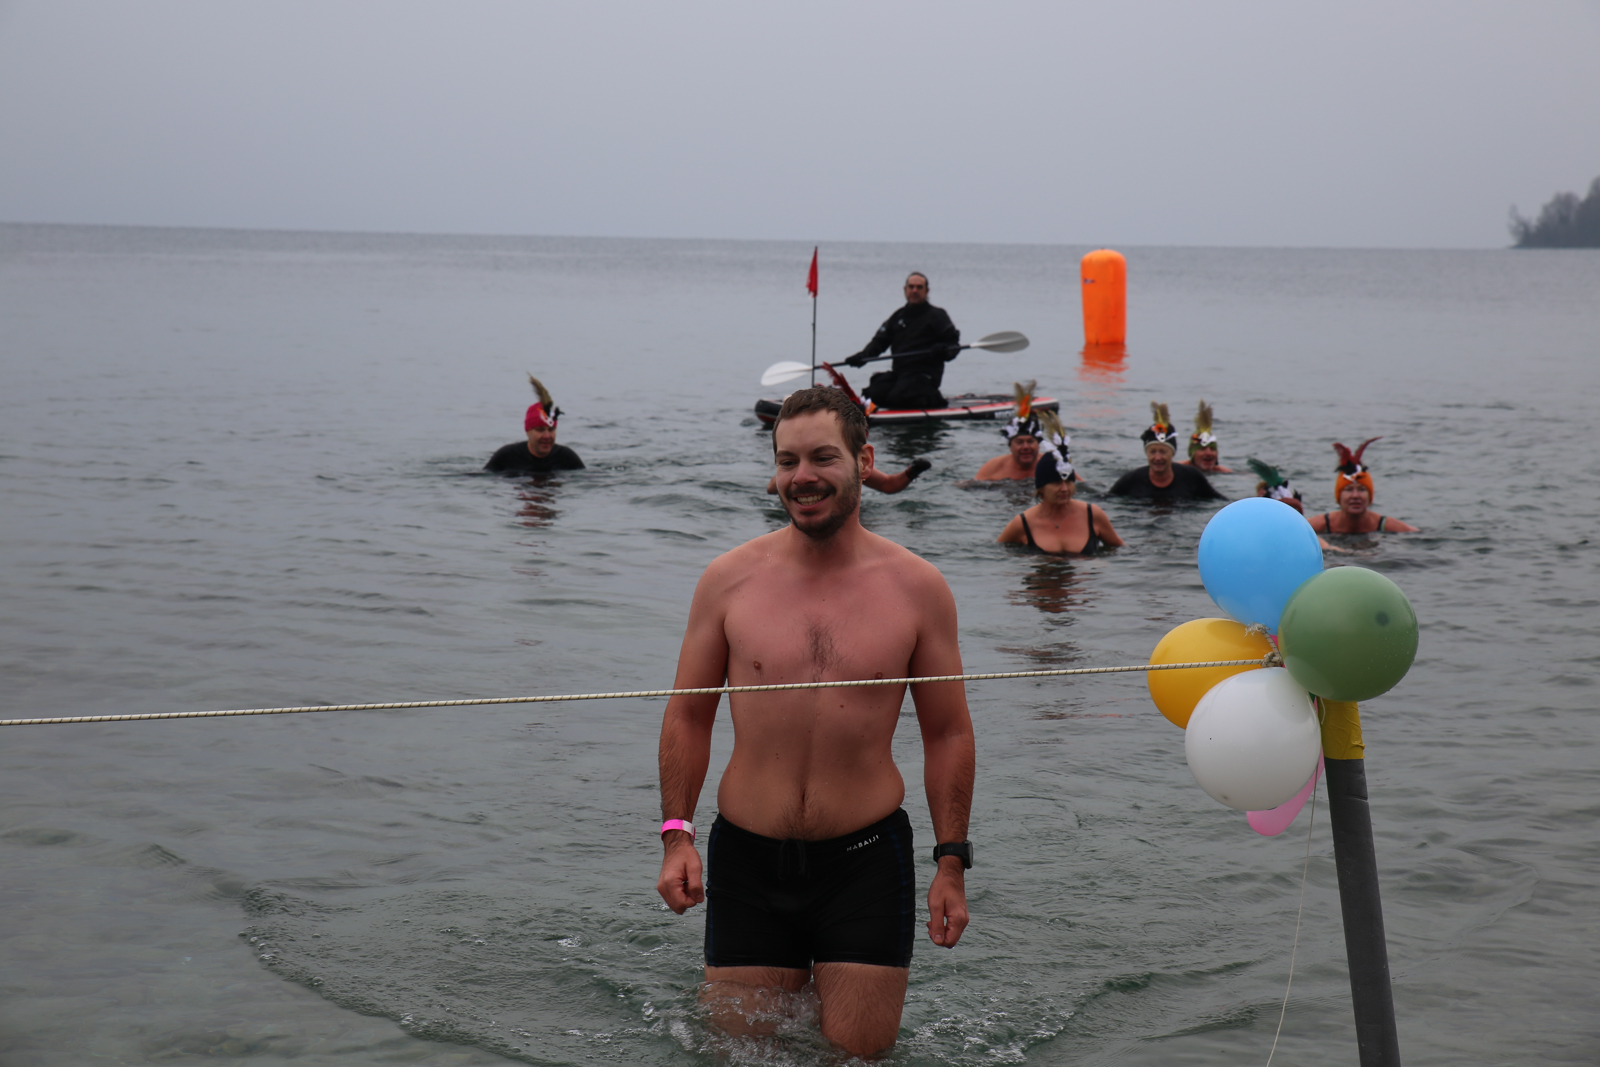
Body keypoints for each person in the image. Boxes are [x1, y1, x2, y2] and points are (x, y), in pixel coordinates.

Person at [656, 386, 975, 1059]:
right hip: (747, 859)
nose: (802, 477)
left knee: (857, 1058)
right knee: (739, 1056)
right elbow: (687, 715)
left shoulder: (919, 588)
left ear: (864, 460)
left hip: (866, 862)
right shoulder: (728, 580)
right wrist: (675, 836)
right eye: (787, 461)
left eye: (822, 457)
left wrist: (952, 863)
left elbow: (948, 733)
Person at [843, 272, 960, 410]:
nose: (914, 291)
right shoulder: (897, 316)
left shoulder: (938, 316)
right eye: (911, 287)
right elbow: (879, 343)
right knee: (873, 393)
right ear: (905, 289)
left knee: (900, 396)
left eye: (919, 287)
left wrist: (944, 350)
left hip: (924, 376)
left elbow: (954, 346)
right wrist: (862, 357)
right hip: (899, 375)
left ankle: (934, 400)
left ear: (926, 291)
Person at [997, 425, 1123, 554]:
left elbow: (1120, 550)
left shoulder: (1092, 514)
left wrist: (1100, 563)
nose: (1064, 489)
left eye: (1068, 482)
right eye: (1056, 483)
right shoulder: (1023, 523)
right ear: (1041, 488)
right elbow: (998, 554)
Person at [1108, 403, 1225, 501]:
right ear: (1146, 454)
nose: (1158, 457)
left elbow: (1220, 502)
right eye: (1152, 452)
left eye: (1163, 452)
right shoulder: (1131, 479)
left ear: (1172, 453)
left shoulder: (1192, 477)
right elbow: (1107, 500)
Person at [1307, 438, 1418, 534]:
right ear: (1339, 497)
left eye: (1361, 489)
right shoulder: (1320, 525)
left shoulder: (1386, 526)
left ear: (1370, 496)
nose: (1355, 496)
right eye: (1349, 490)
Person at [484, 375, 584, 473]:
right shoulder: (506, 456)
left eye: (551, 429)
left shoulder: (567, 458)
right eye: (540, 430)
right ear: (528, 431)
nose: (547, 436)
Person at [974, 381, 1045, 481]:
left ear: (1038, 445)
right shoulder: (993, 468)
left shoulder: (1054, 466)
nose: (1026, 447)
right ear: (1010, 446)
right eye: (1019, 442)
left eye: (1030, 441)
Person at [1181, 400, 1233, 473]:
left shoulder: (1225, 472)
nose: (1208, 453)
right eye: (1202, 449)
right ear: (1192, 453)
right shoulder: (1176, 470)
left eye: (1212, 449)